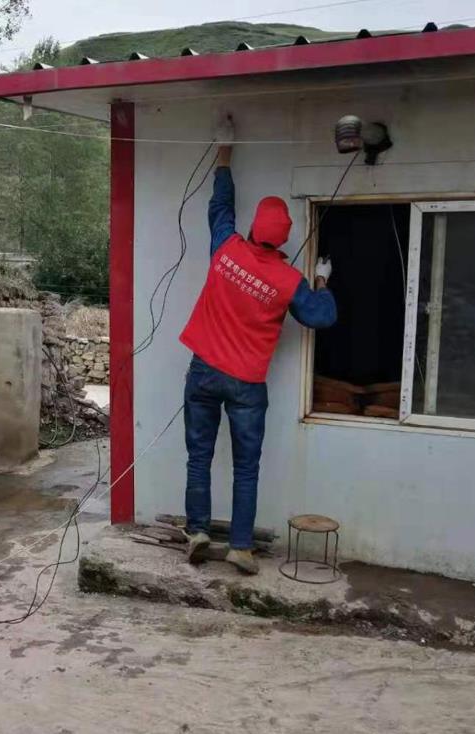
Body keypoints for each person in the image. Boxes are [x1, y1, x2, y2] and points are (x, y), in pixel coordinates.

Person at [178, 118, 337, 575]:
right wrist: (322, 280)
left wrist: (225, 152)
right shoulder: (288, 280)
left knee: (199, 456)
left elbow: (220, 205)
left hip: (204, 371)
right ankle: (241, 548)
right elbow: (321, 317)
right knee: (246, 468)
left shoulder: (225, 247)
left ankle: (198, 532)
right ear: (284, 238)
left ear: (252, 227)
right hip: (246, 384)